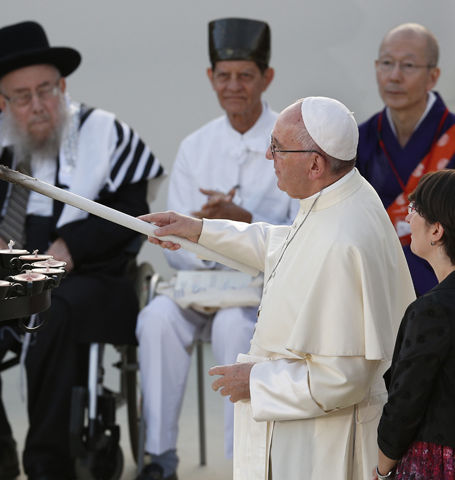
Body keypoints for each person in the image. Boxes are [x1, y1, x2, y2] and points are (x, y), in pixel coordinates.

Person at [0, 21, 164, 480]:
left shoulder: (104, 131)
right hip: (1, 264)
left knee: (53, 308)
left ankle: (47, 458)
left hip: (86, 272)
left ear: (62, 85)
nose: (38, 106)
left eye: (46, 90)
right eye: (22, 96)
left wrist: (72, 246)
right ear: (2, 101)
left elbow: (132, 209)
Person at [140, 97, 415, 480]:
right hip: (313, 432)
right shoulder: (342, 194)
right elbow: (284, 244)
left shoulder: (342, 241)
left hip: (324, 446)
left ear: (316, 164)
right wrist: (198, 231)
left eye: (278, 148)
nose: (269, 157)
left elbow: (343, 378)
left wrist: (254, 380)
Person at [134, 18, 297, 480]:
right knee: (156, 319)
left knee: (232, 326)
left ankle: (240, 461)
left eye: (245, 75)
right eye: (223, 76)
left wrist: (242, 225)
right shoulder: (195, 146)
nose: (233, 86)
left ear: (266, 78)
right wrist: (204, 237)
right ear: (211, 78)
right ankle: (159, 456)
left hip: (259, 293)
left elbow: (302, 231)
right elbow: (170, 245)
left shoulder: (290, 140)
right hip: (195, 285)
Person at [371, 169, 455, 480]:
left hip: (444, 466)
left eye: (414, 209)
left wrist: (382, 469)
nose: (407, 218)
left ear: (437, 231)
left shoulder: (431, 310)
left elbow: (404, 405)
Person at [358, 23, 455, 296]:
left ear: (433, 76)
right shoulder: (360, 139)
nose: (394, 76)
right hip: (371, 280)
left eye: (408, 65)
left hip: (443, 289)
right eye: (386, 63)